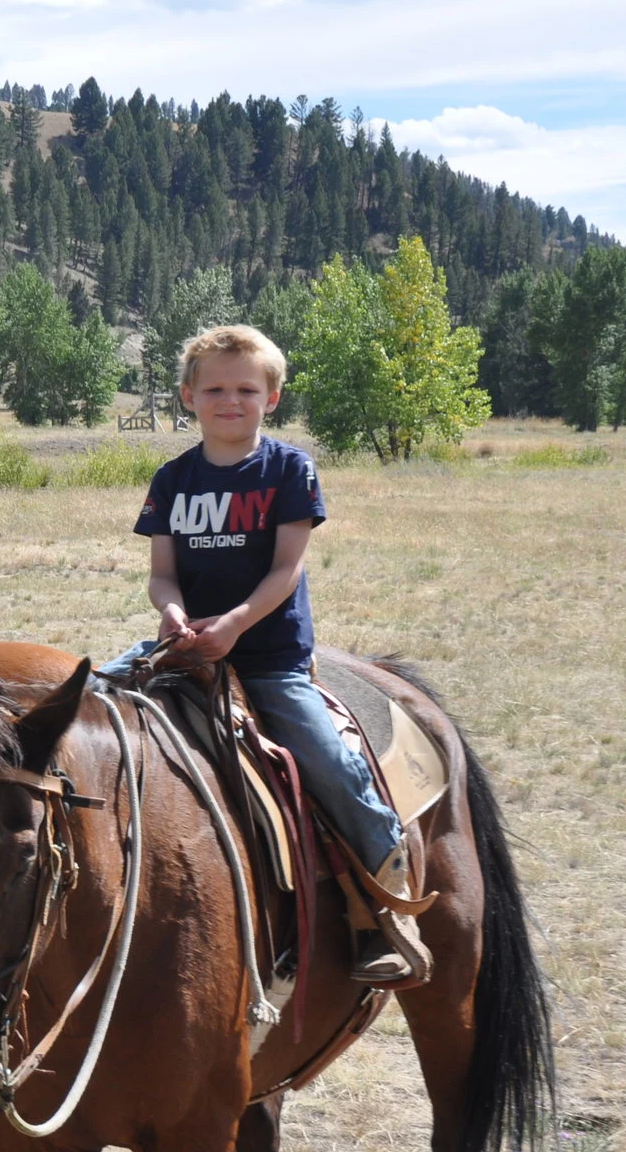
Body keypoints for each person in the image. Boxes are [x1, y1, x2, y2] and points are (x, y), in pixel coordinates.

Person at [102, 323, 427, 984]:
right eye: (215, 389)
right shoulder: (172, 479)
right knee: (85, 707)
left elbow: (285, 570)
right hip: (185, 647)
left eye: (247, 390)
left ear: (272, 398)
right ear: (189, 397)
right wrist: (173, 614)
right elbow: (161, 575)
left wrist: (235, 625)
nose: (231, 401)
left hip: (267, 655)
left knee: (328, 760)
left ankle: (385, 905)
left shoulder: (288, 470)